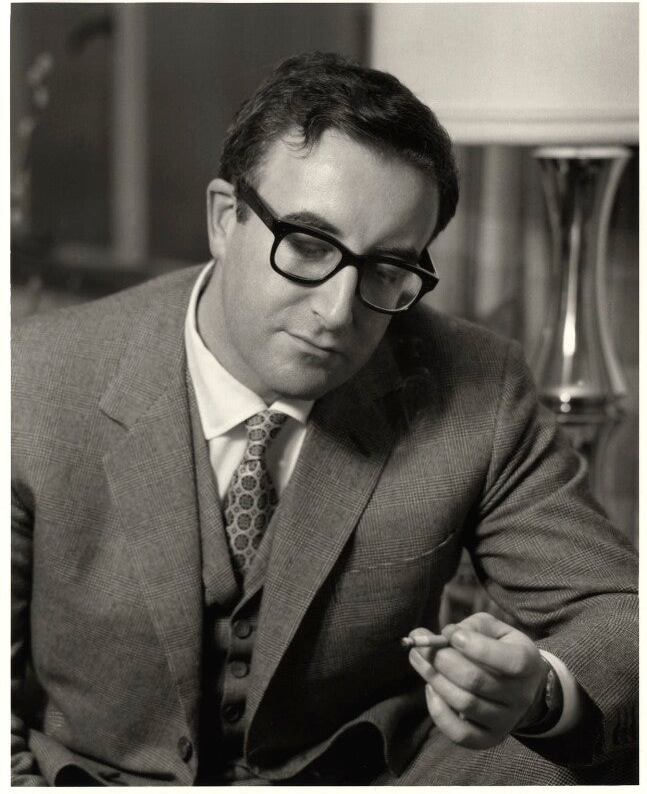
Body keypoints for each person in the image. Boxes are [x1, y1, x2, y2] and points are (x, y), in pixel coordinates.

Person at [11, 51, 637, 786]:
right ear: (224, 219)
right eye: (309, 246)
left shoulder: (479, 385)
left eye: (387, 269)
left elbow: (619, 619)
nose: (338, 311)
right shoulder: (32, 379)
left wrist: (539, 695)